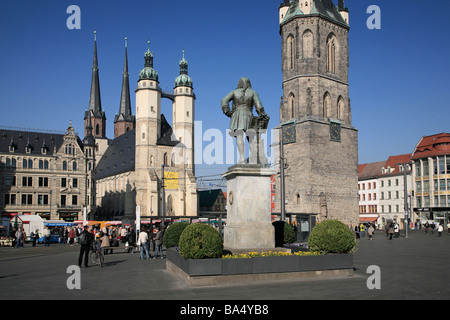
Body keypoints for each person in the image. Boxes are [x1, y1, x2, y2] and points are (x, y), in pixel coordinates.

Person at [221, 77, 270, 164]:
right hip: (249, 115)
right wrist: (262, 114)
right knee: (251, 138)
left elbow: (224, 100)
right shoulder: (253, 92)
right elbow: (258, 105)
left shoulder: (234, 92)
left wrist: (228, 112)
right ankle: (253, 159)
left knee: (239, 135)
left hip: (237, 115)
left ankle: (242, 158)